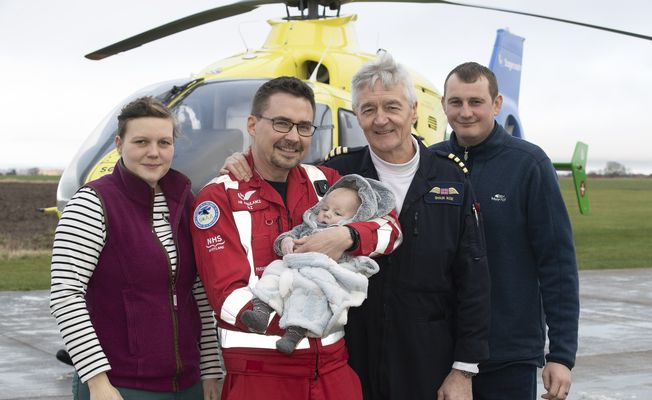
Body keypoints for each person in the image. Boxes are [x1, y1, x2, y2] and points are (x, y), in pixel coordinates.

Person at [221, 53, 491, 400]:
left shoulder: (450, 178)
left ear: (413, 111)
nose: (381, 120)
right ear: (357, 115)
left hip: (427, 357)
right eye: (368, 109)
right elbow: (282, 170)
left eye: (392, 107)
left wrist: (463, 370)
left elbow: (473, 278)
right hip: (351, 356)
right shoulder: (337, 173)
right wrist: (241, 160)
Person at [190, 76, 402, 400]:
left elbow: (391, 229)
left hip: (334, 371)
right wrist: (307, 317)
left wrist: (347, 235)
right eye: (281, 123)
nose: (293, 137)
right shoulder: (218, 198)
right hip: (261, 377)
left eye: (304, 127)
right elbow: (228, 298)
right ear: (252, 124)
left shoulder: (325, 182)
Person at [49, 96, 223, 400]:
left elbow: (197, 291)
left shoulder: (184, 201)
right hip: (120, 385)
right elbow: (66, 294)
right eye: (141, 142)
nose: (154, 152)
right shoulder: (92, 203)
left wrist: (210, 369)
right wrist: (98, 382)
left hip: (188, 384)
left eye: (164, 142)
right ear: (119, 144)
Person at [430, 62, 579, 400]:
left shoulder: (529, 165)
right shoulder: (430, 163)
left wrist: (561, 354)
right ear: (443, 105)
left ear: (496, 104)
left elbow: (557, 265)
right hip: (440, 353)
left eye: (476, 102)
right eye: (456, 102)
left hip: (508, 356)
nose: (465, 112)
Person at [241, 174, 396, 354]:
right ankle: (261, 311)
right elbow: (291, 234)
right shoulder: (309, 224)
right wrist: (286, 242)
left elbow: (358, 263)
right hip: (294, 264)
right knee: (274, 269)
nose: (327, 214)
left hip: (320, 272)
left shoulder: (345, 235)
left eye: (337, 213)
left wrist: (357, 263)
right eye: (325, 208)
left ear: (356, 217)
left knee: (312, 291)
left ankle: (294, 333)